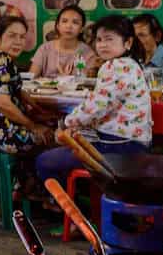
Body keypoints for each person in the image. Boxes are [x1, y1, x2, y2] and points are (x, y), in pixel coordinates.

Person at [36, 15, 152, 187]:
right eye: (99, 40)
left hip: (117, 147)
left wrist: (66, 122)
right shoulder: (131, 64)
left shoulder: (116, 66)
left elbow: (96, 107)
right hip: (133, 144)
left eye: (109, 39)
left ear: (128, 43)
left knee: (45, 160)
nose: (102, 44)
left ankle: (65, 208)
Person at [0, 16, 53, 156]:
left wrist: (39, 109)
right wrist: (33, 126)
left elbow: (16, 90)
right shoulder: (2, 61)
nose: (18, 42)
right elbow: (2, 103)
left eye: (22, 37)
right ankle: (29, 176)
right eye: (12, 36)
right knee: (51, 137)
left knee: (45, 125)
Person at [30, 5, 96, 78]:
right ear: (58, 26)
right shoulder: (45, 49)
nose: (69, 26)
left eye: (75, 22)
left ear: (81, 29)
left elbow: (87, 83)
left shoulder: (88, 53)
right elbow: (32, 78)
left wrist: (66, 80)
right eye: (64, 21)